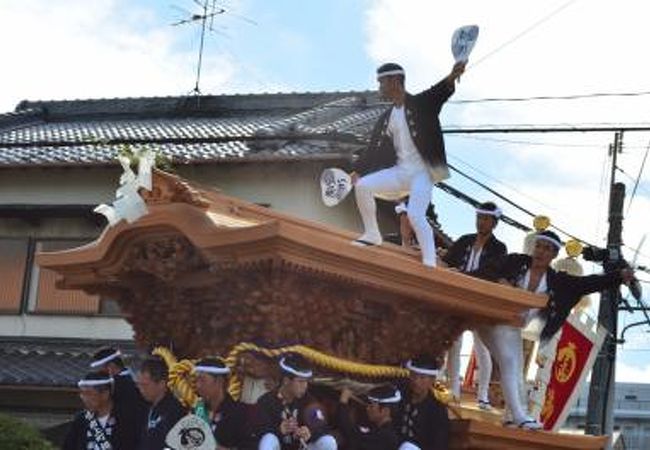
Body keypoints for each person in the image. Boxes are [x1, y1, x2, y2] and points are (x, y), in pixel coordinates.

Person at [472, 230, 639, 429]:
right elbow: (487, 269)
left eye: (547, 248)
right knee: (509, 361)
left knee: (515, 369)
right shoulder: (515, 262)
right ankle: (518, 415)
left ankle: (514, 416)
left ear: (554, 255)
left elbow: (588, 283)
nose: (540, 251)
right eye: (538, 246)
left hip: (511, 327)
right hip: (488, 317)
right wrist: (501, 281)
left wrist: (619, 276)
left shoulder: (557, 281)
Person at [350, 60, 466, 268]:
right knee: (363, 186)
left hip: (422, 173)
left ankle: (429, 260)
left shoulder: (421, 104)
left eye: (381, 82)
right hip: (400, 173)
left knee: (415, 214)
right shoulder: (385, 118)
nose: (379, 87)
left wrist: (451, 76)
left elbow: (439, 91)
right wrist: (357, 171)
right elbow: (373, 149)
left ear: (395, 80)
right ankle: (372, 233)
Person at [439, 202, 507, 408]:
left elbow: (492, 272)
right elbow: (448, 261)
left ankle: (483, 395)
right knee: (454, 344)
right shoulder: (465, 240)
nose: (481, 222)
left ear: (494, 223)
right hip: (458, 296)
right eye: (479, 217)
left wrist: (463, 275)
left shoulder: (499, 248)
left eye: (486, 219)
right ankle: (455, 392)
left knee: (482, 346)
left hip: (482, 299)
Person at [255, 353, 337, 450]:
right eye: (300, 381)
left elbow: (323, 427)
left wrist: (310, 432)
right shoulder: (266, 401)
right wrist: (279, 430)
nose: (305, 386)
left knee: (328, 441)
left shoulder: (310, 401)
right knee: (268, 439)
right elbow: (258, 432)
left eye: (306, 381)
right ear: (286, 381)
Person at [193, 357, 255, 449]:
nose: (198, 385)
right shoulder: (197, 411)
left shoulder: (240, 414)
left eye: (202, 380)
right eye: (196, 380)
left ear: (219, 381)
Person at [63, 371, 136, 450]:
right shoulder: (81, 420)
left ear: (105, 393)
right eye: (82, 394)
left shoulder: (125, 419)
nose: (84, 398)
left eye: (88, 393)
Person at [396, 356, 449, 450]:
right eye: (414, 376)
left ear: (432, 380)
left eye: (422, 378)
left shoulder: (437, 409)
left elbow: (439, 443)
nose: (416, 381)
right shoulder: (400, 399)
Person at [136, 356, 187, 450]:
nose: (141, 390)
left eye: (145, 385)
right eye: (139, 385)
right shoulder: (145, 407)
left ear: (162, 384)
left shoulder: (175, 411)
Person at [337, 384, 401, 450]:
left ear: (385, 411)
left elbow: (354, 436)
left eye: (371, 406)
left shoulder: (386, 436)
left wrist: (343, 402)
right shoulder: (379, 429)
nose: (367, 408)